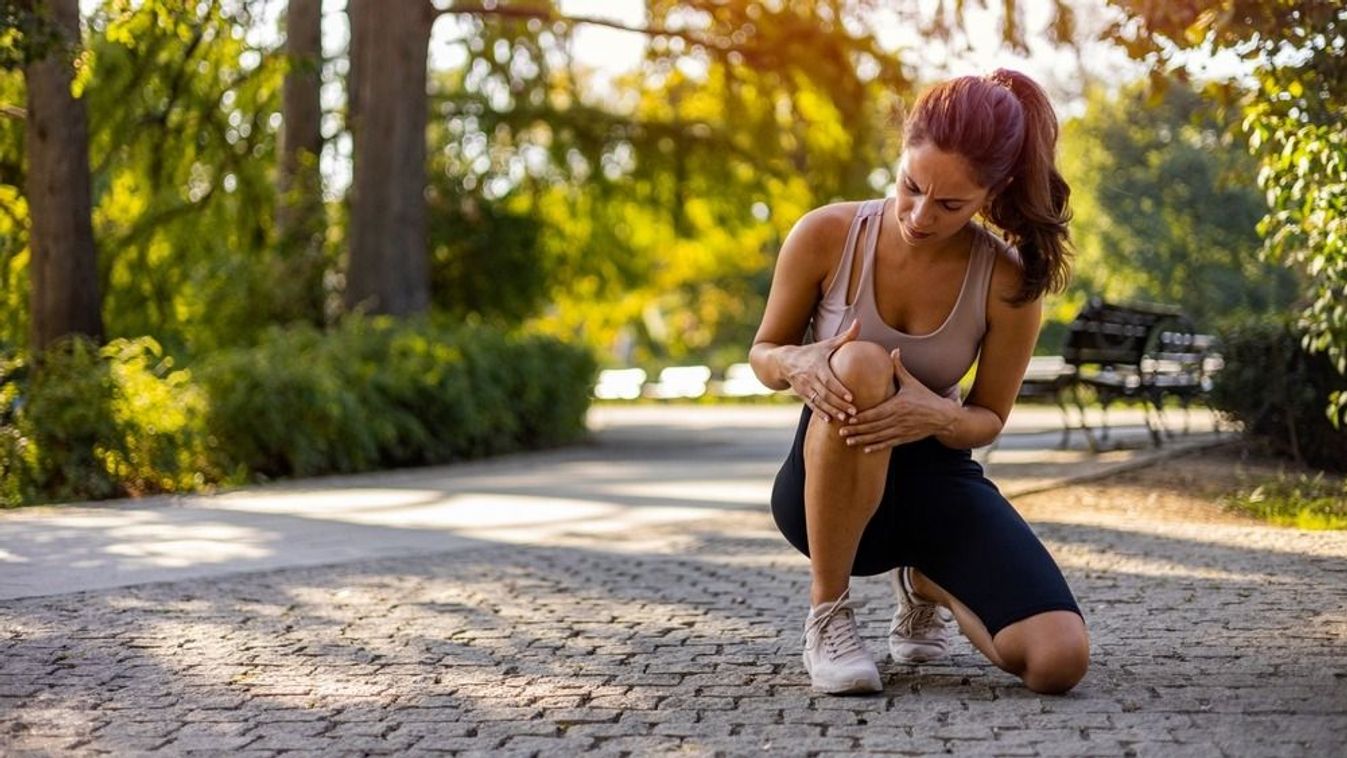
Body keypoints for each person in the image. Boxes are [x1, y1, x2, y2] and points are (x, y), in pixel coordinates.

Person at [748, 69, 1089, 696]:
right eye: (911, 186)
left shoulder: (1007, 281)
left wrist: (935, 415)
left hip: (938, 486)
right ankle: (829, 615)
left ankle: (929, 580)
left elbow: (987, 419)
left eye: (951, 204)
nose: (920, 215)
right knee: (861, 363)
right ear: (901, 152)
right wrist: (796, 363)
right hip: (825, 495)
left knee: (1058, 660)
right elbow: (764, 352)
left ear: (994, 192)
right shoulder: (826, 234)